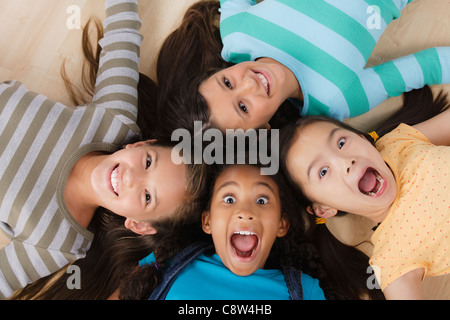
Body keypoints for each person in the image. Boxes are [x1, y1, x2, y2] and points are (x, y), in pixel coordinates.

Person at [0, 0, 203, 299]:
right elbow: (123, 26)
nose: (133, 178)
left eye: (148, 197)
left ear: (139, 225)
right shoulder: (114, 121)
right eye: (148, 162)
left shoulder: (58, 244)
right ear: (141, 144)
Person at [155, 0, 450, 135]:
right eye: (243, 107)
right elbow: (426, 68)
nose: (249, 84)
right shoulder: (338, 98)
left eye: (227, 83)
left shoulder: (237, 34)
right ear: (263, 130)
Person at [118, 161, 385, 300]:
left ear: (282, 225)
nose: (245, 211)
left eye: (261, 200)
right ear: (207, 221)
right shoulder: (167, 260)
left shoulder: (305, 290)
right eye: (229, 199)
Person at [279, 86, 450, 299]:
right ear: (324, 209)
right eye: (323, 171)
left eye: (341, 142)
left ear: (362, 138)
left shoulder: (397, 142)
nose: (345, 162)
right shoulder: (391, 259)